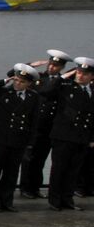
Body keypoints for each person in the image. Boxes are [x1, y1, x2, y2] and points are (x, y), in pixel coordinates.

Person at [0, 64, 41, 212]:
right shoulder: (2, 93)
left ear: (29, 83)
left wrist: (30, 143)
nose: (18, 83)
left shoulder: (33, 97)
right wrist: (3, 81)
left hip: (19, 139)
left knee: (11, 172)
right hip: (0, 138)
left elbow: (34, 121)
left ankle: (7, 200)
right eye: (16, 80)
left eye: (22, 81)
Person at [39, 57, 94, 211]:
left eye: (85, 74)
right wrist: (62, 77)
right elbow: (45, 92)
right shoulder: (66, 86)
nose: (80, 76)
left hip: (82, 137)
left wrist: (91, 138)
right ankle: (55, 201)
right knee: (59, 169)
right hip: (63, 136)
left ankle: (68, 199)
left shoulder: (92, 91)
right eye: (79, 72)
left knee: (73, 171)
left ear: (92, 76)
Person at [18, 49, 73, 198]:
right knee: (29, 158)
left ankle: (35, 187)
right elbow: (13, 73)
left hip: (51, 125)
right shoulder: (38, 78)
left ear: (61, 67)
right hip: (36, 125)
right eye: (50, 64)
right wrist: (30, 65)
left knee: (41, 158)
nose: (51, 67)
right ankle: (25, 187)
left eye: (56, 65)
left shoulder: (66, 81)